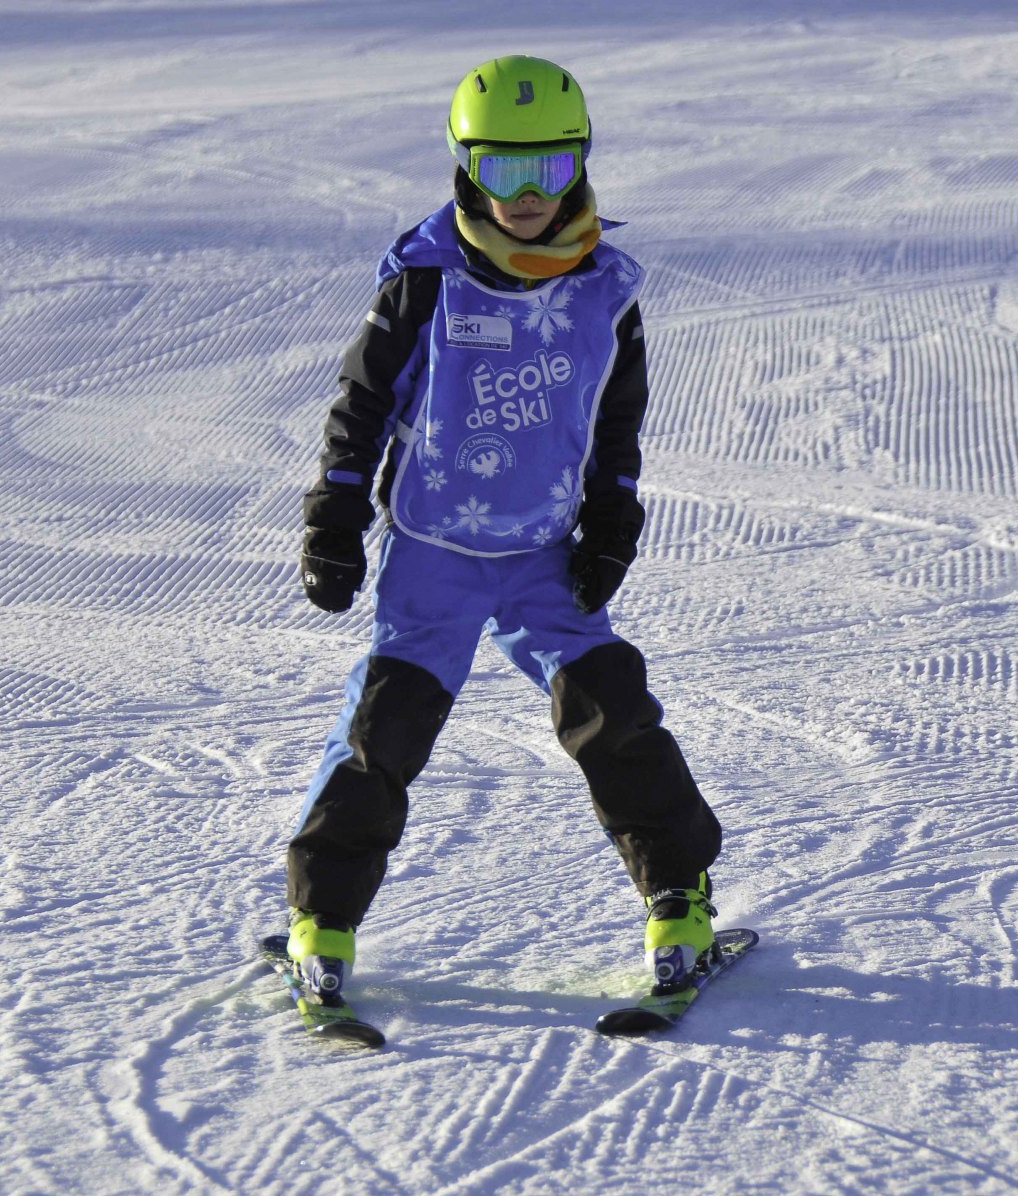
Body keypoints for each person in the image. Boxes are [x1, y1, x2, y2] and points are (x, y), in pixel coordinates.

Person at [285, 54, 722, 1003]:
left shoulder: (607, 291)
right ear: (464, 164)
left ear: (582, 161)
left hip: (543, 555)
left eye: (550, 170)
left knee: (612, 712)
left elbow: (614, 421)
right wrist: (335, 515)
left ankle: (680, 897)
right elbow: (361, 406)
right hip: (433, 554)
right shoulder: (426, 281)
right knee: (383, 730)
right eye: (502, 170)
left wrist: (612, 518)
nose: (527, 197)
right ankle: (322, 919)